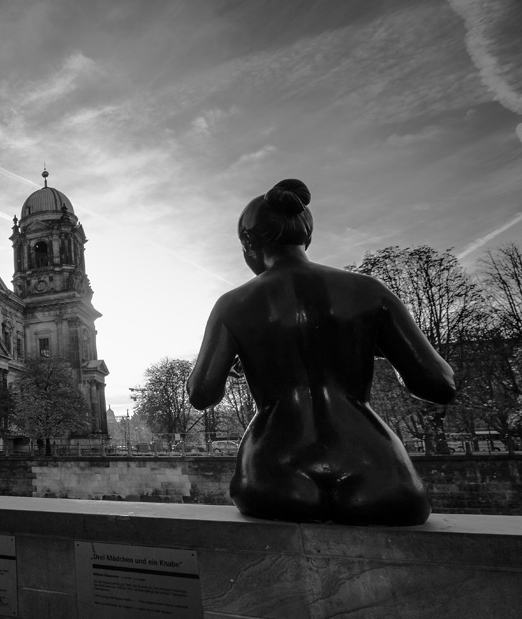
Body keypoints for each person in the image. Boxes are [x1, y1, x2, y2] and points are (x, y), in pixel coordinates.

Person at [187, 179, 456, 525]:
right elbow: (438, 384)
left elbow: (201, 394)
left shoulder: (232, 304)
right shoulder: (369, 290)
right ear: (307, 237)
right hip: (373, 465)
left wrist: (248, 353)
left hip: (273, 466)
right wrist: (365, 344)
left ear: (248, 243)